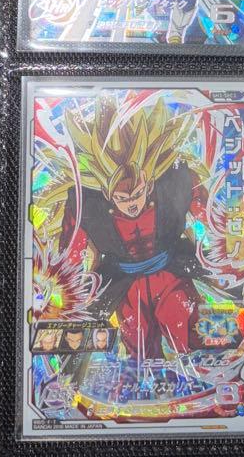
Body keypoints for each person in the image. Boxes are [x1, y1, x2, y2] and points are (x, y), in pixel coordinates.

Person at [60, 96, 203, 359]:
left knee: (188, 336)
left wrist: (212, 241)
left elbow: (205, 212)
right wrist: (70, 287)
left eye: (137, 194)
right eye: (122, 199)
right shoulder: (87, 205)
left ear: (149, 185)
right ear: (107, 194)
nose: (132, 204)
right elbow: (71, 249)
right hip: (125, 285)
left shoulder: (174, 183)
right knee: (140, 352)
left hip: (171, 274)